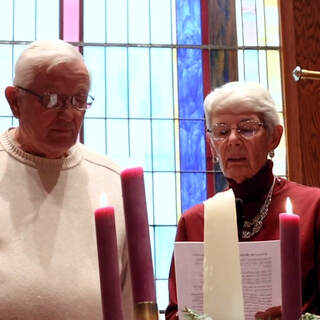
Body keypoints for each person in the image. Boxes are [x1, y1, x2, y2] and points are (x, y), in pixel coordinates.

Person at [0, 40, 134, 319]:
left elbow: (131, 300)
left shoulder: (113, 182)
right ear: (15, 101)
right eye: (51, 99)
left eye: (79, 100)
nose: (69, 114)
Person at [165, 81, 320, 319]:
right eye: (222, 131)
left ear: (274, 138)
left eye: (247, 128)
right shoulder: (194, 222)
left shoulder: (313, 207)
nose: (233, 140)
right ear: (212, 145)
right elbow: (177, 311)